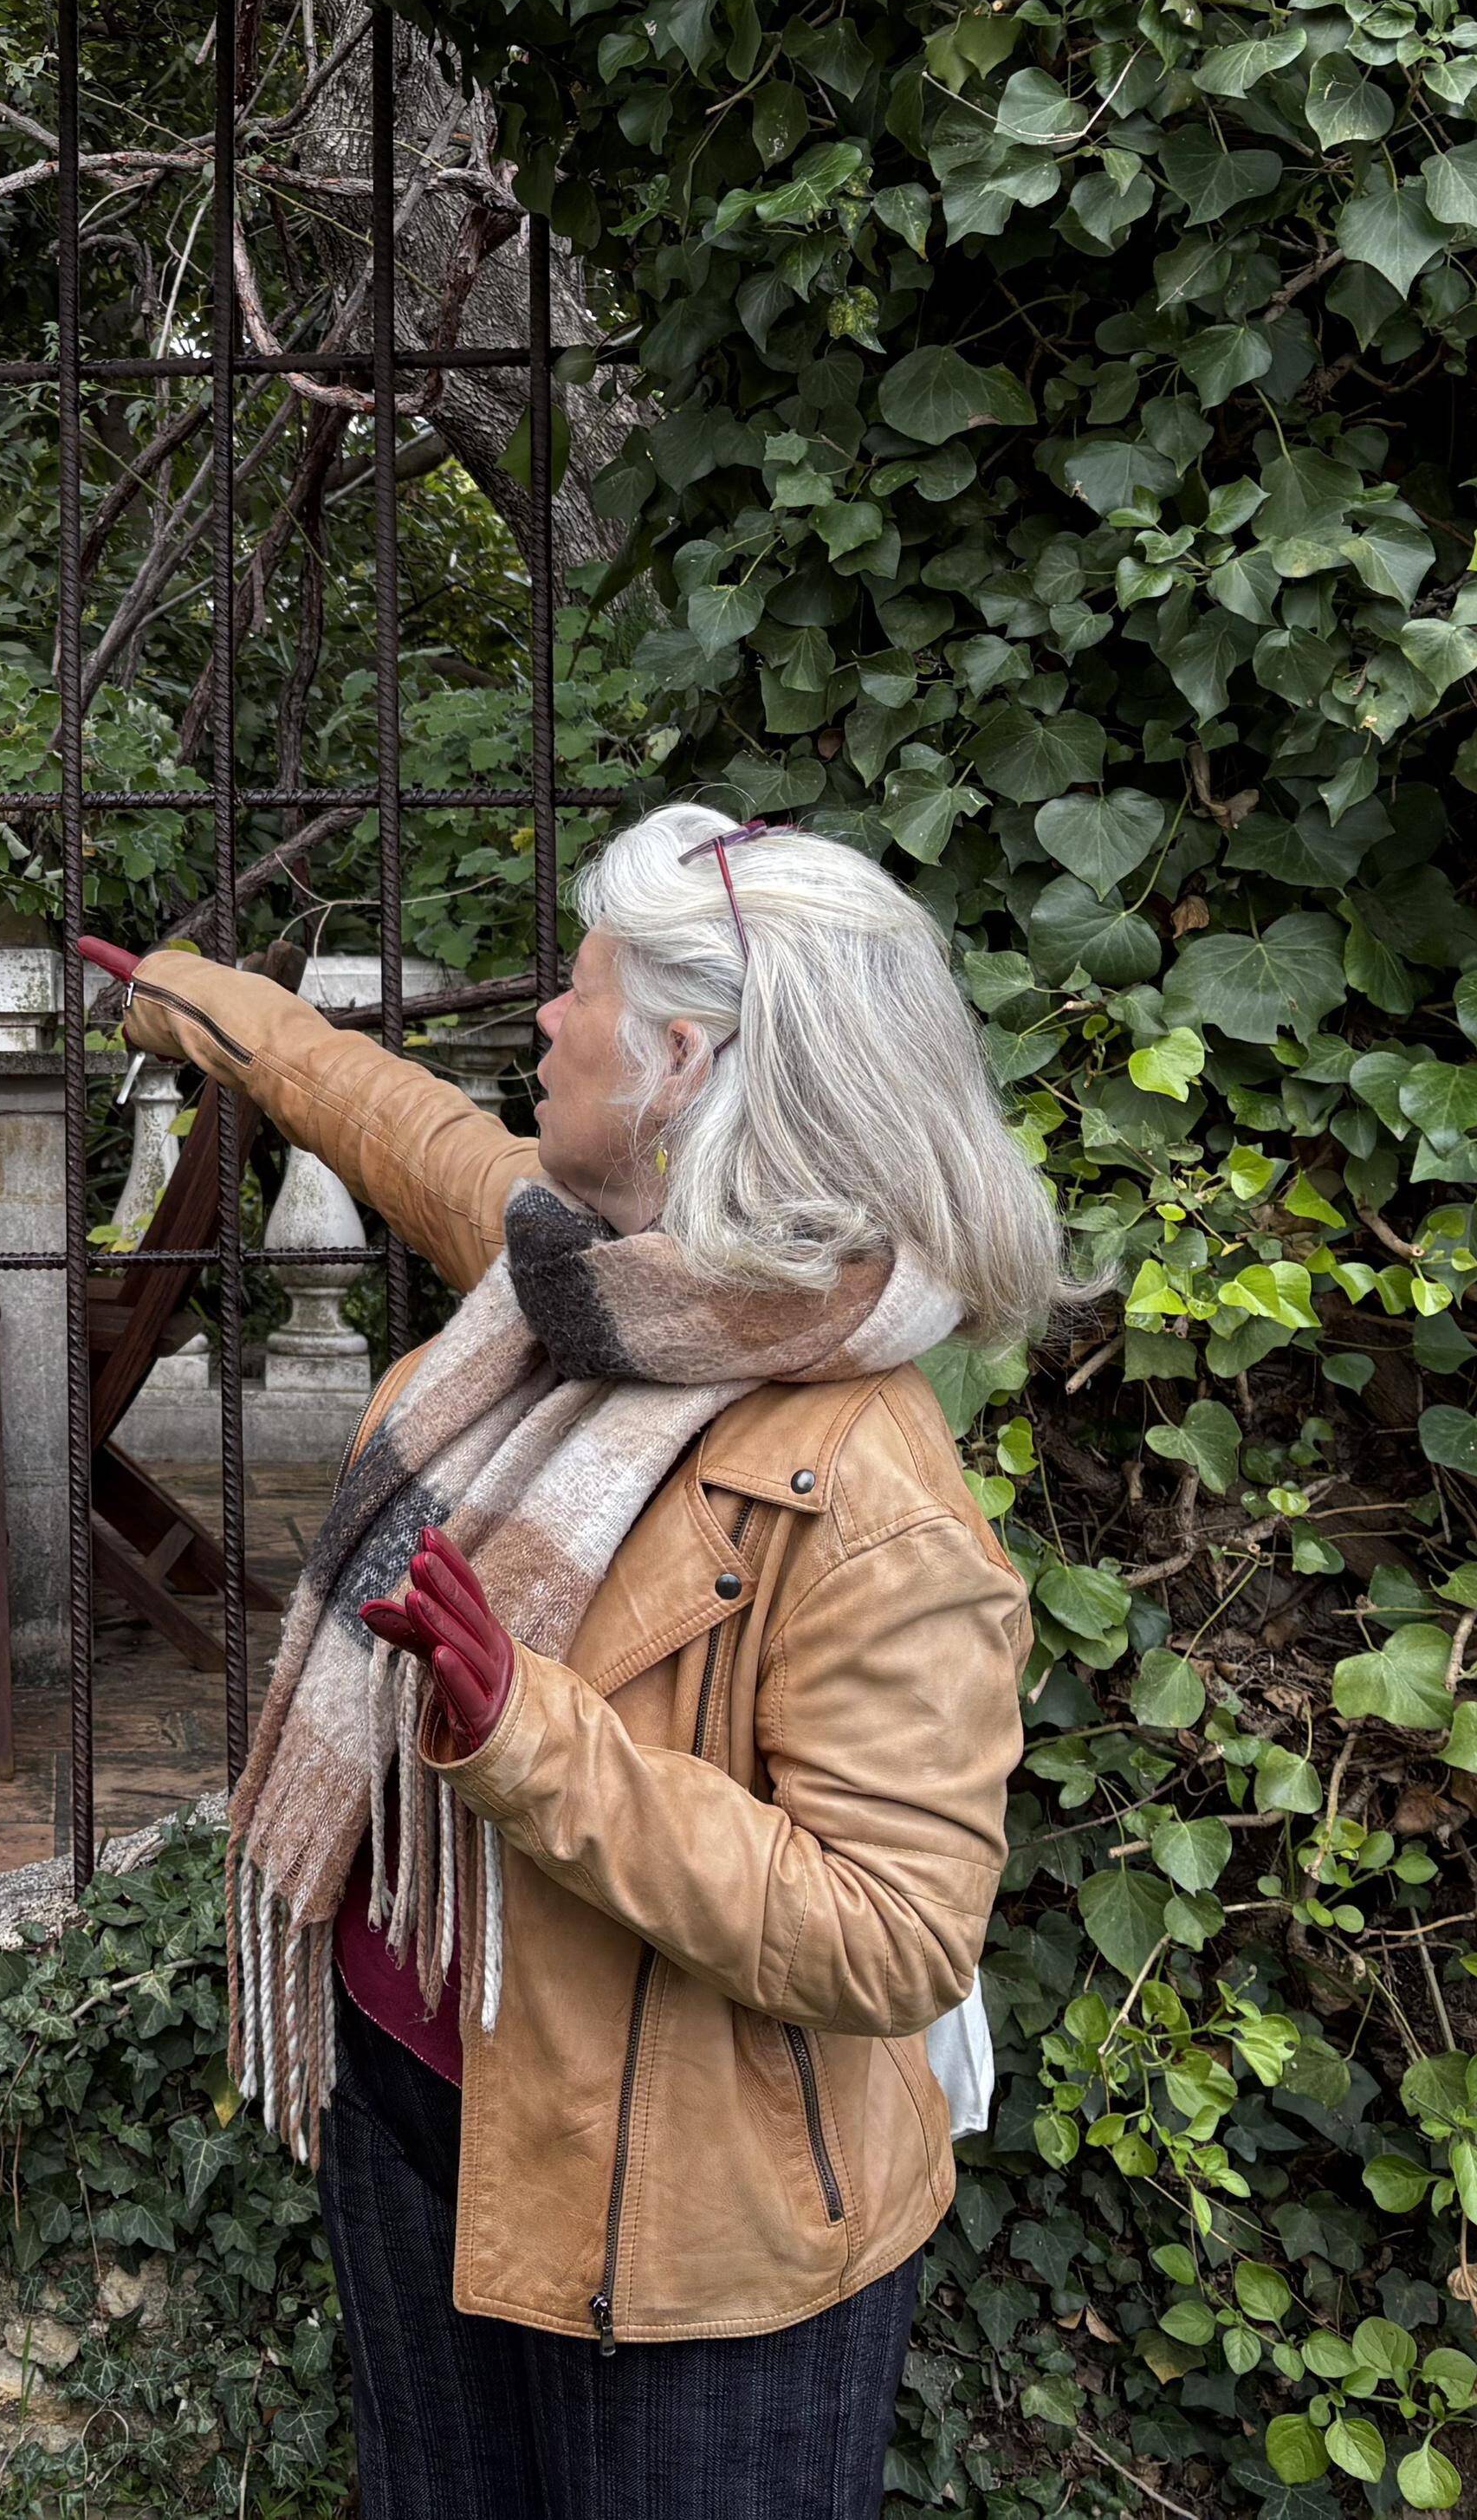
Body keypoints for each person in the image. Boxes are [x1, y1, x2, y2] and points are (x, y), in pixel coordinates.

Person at [94, 804, 1065, 2520]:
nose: (542, 1017)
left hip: (693, 2240)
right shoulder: (582, 1283)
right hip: (419, 2101)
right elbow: (398, 1128)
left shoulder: (873, 1497)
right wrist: (202, 1007)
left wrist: (526, 1737)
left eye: (580, 988)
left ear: (680, 1061)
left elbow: (897, 1933)